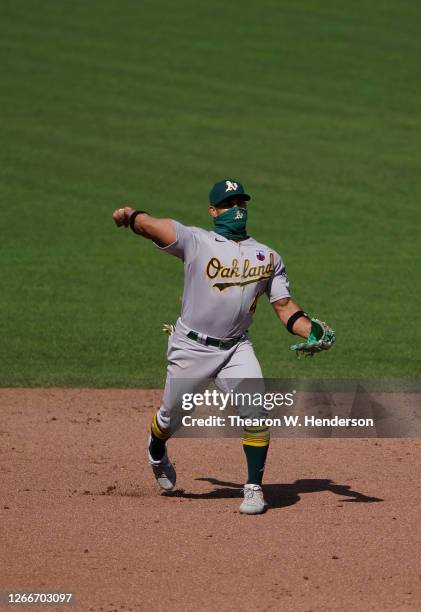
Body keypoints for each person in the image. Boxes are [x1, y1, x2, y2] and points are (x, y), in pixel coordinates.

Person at [112, 179, 334, 514]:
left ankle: (254, 489)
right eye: (229, 204)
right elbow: (153, 227)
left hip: (236, 349)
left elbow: (286, 307)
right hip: (191, 348)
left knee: (256, 410)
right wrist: (131, 216)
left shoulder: (268, 256)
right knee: (170, 418)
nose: (237, 209)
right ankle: (156, 448)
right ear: (213, 211)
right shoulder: (197, 241)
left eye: (241, 202)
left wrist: (311, 330)